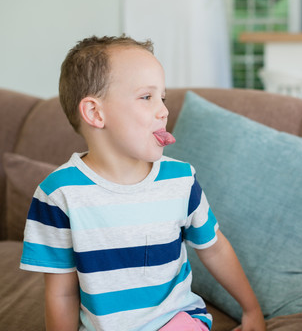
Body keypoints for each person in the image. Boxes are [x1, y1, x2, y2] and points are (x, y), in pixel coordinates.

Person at [20, 35, 266, 331]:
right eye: (146, 97)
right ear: (95, 113)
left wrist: (251, 309)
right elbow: (61, 291)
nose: (163, 110)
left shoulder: (180, 180)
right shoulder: (57, 194)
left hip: (178, 321)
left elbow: (214, 248)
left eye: (162, 97)